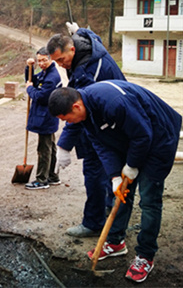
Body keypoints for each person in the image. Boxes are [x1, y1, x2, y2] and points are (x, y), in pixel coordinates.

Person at [48, 81, 181, 283]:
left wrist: (132, 165)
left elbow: (143, 135)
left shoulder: (114, 102)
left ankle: (145, 255)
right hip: (132, 139)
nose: (70, 123)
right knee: (121, 193)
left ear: (76, 106)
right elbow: (101, 144)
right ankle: (116, 242)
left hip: (158, 138)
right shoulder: (85, 114)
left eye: (67, 118)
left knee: (149, 199)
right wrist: (115, 176)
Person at [46, 22, 126, 237]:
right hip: (110, 118)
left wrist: (63, 145)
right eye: (57, 62)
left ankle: (93, 223)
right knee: (110, 171)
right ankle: (109, 208)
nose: (61, 66)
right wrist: (79, 30)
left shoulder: (87, 72)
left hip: (106, 121)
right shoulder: (88, 43)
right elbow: (89, 34)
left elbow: (77, 113)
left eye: (62, 60)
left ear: (72, 49)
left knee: (94, 173)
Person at [24, 47, 62, 190]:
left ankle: (41, 180)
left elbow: (41, 96)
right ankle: (52, 176)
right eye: (39, 61)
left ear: (51, 59)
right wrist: (29, 68)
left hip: (46, 117)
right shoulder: (46, 72)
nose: (41, 63)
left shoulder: (52, 77)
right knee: (50, 147)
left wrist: (29, 89)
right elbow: (33, 79)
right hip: (46, 116)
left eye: (44, 60)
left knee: (44, 149)